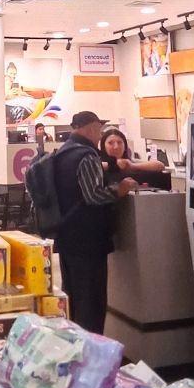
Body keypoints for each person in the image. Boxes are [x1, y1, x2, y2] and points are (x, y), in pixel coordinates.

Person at [53, 111, 138, 335]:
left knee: (73, 297)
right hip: (88, 240)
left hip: (67, 235)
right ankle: (91, 348)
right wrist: (119, 190)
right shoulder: (86, 155)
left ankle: (74, 343)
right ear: (91, 127)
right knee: (92, 302)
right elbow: (93, 195)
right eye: (99, 129)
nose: (100, 134)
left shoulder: (63, 152)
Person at [99, 127, 165, 185]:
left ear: (125, 146)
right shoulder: (98, 163)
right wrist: (114, 165)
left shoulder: (129, 162)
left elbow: (160, 166)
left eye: (119, 142)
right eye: (110, 143)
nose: (116, 147)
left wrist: (131, 166)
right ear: (103, 146)